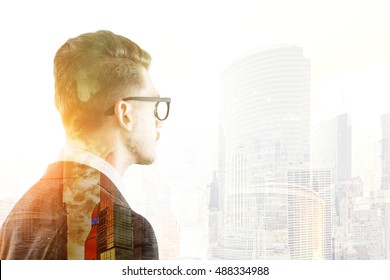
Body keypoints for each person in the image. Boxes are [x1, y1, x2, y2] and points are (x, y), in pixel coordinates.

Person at [0, 30, 171, 260]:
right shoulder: (128, 233)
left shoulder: (17, 218)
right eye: (155, 105)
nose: (158, 121)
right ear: (125, 114)